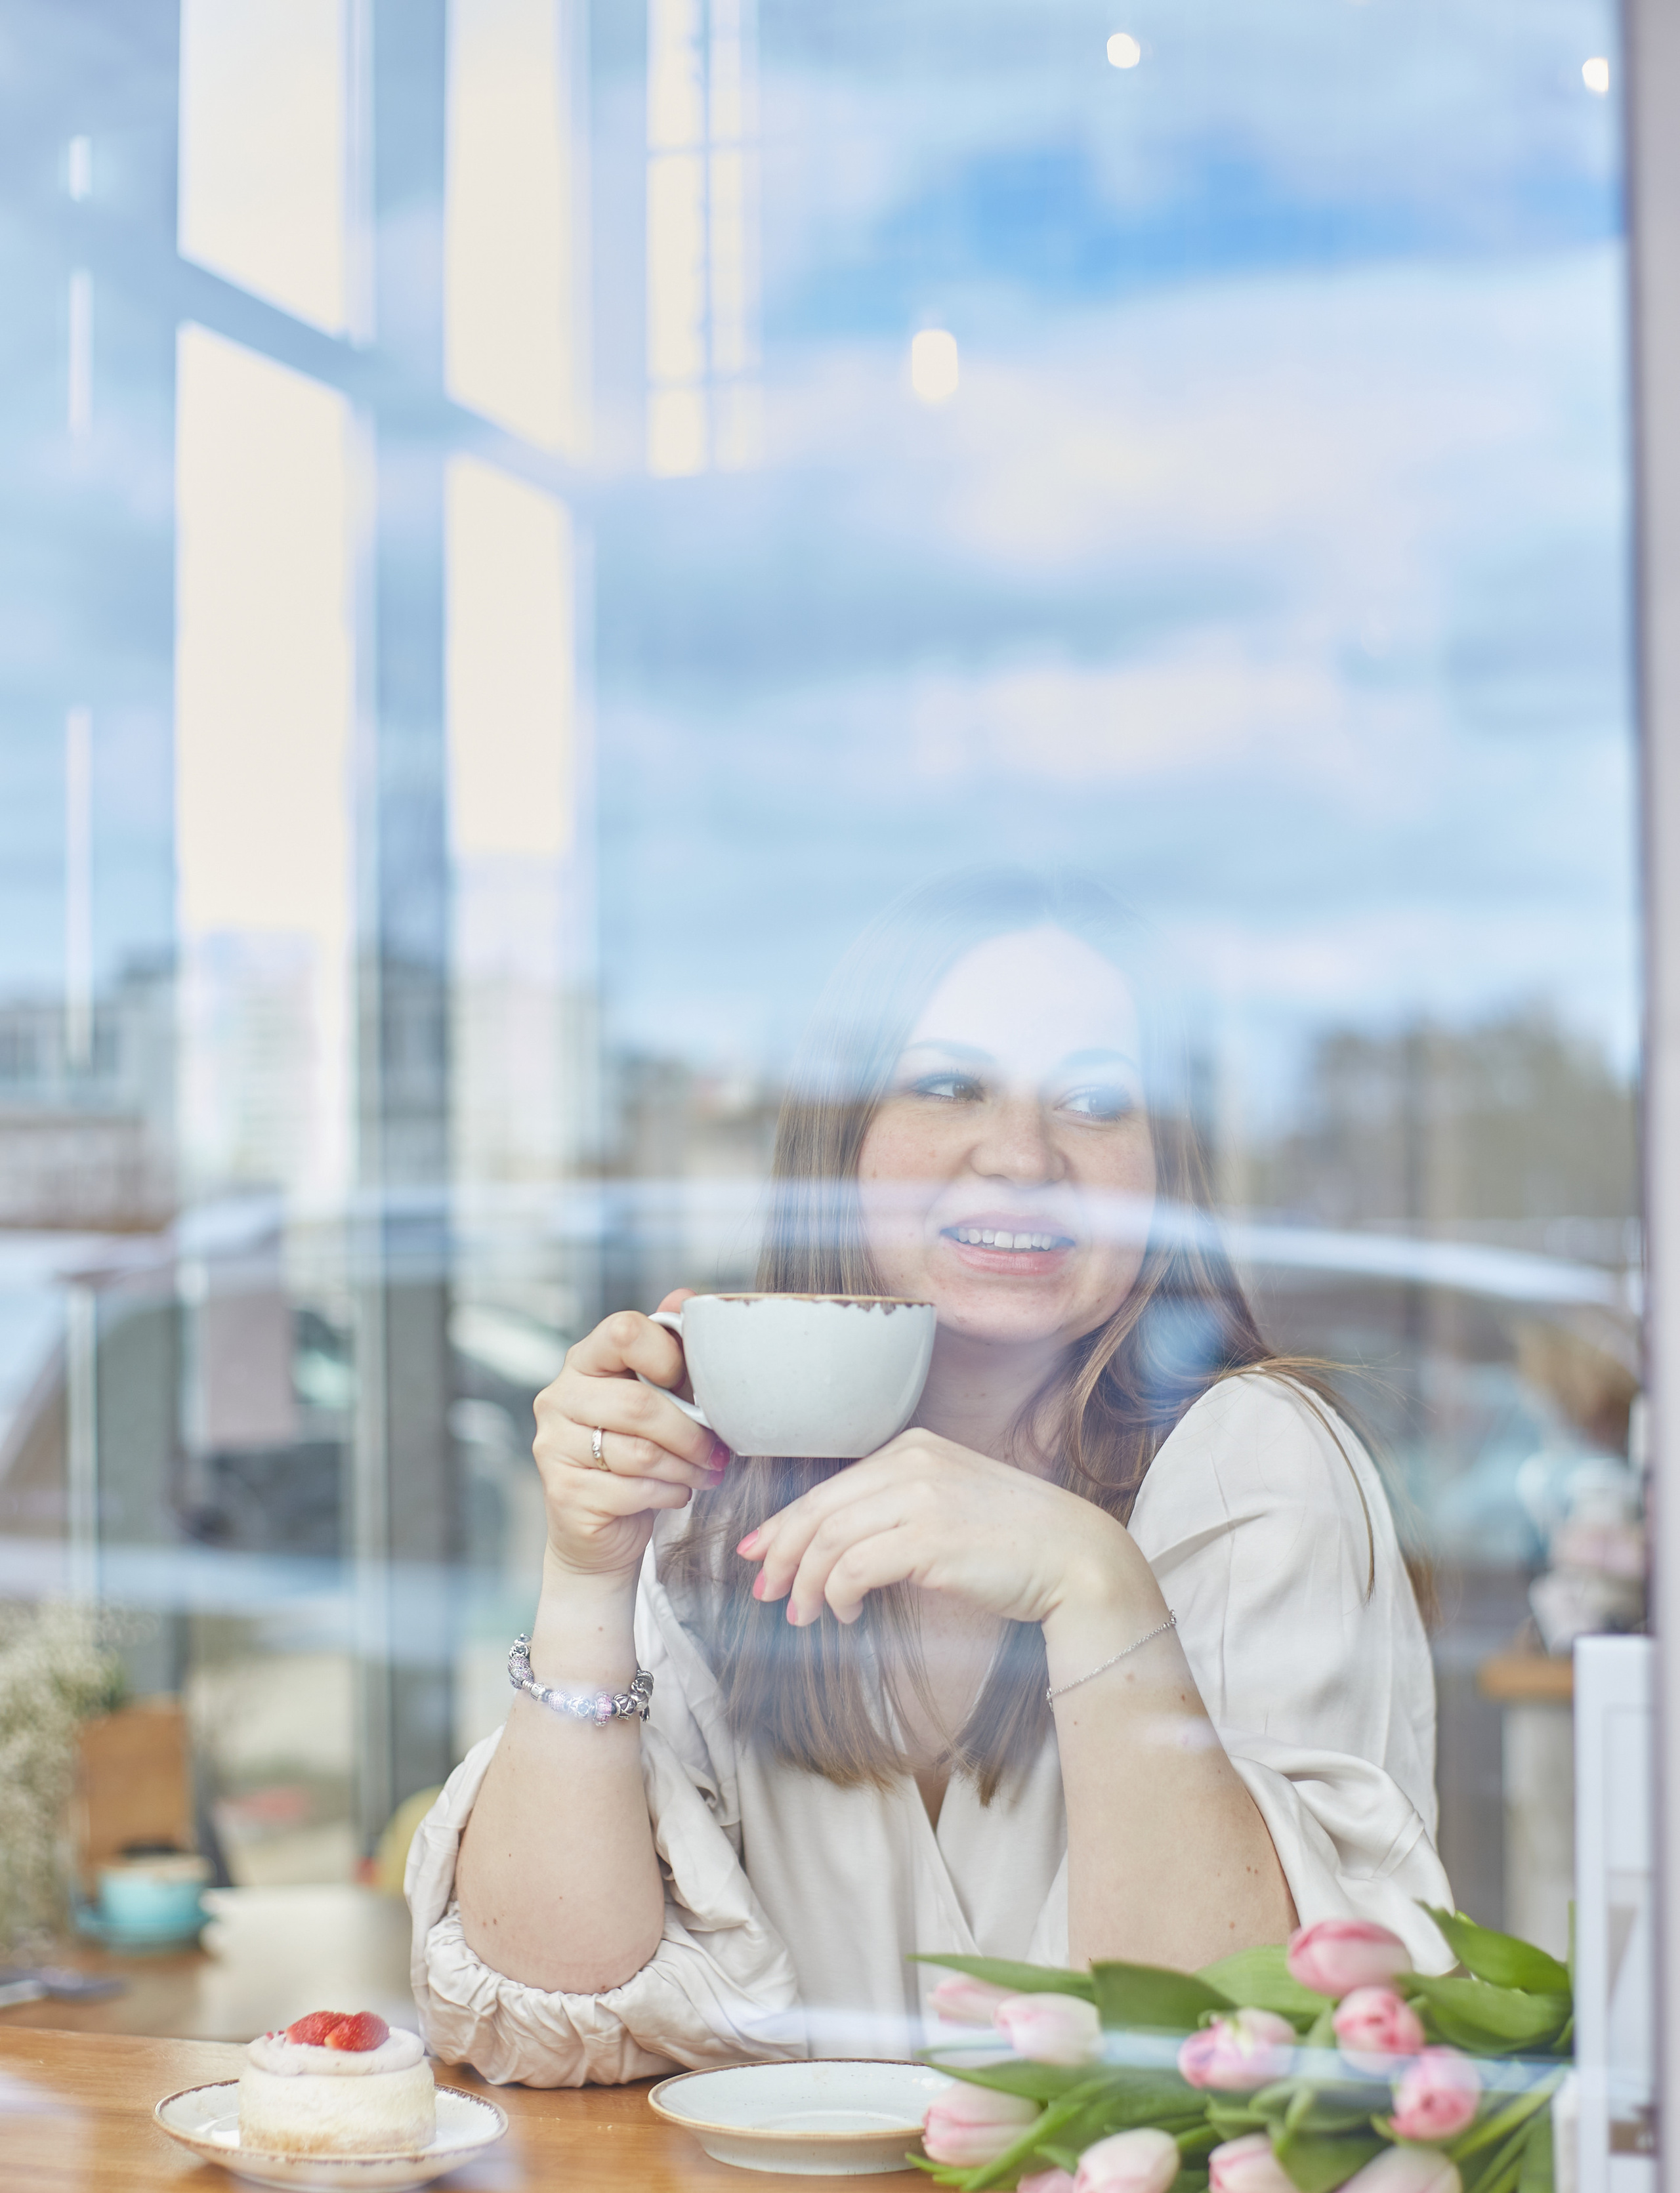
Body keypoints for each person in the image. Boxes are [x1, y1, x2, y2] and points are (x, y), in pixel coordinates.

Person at [410, 871, 1451, 2085]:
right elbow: (544, 1998)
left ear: (1167, 1172)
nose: (1020, 1155)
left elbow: (1238, 2045)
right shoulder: (721, 1478)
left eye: (1099, 1101)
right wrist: (587, 1579)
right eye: (950, 1083)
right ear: (839, 1143)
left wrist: (1090, 1582)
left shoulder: (1253, 1460)